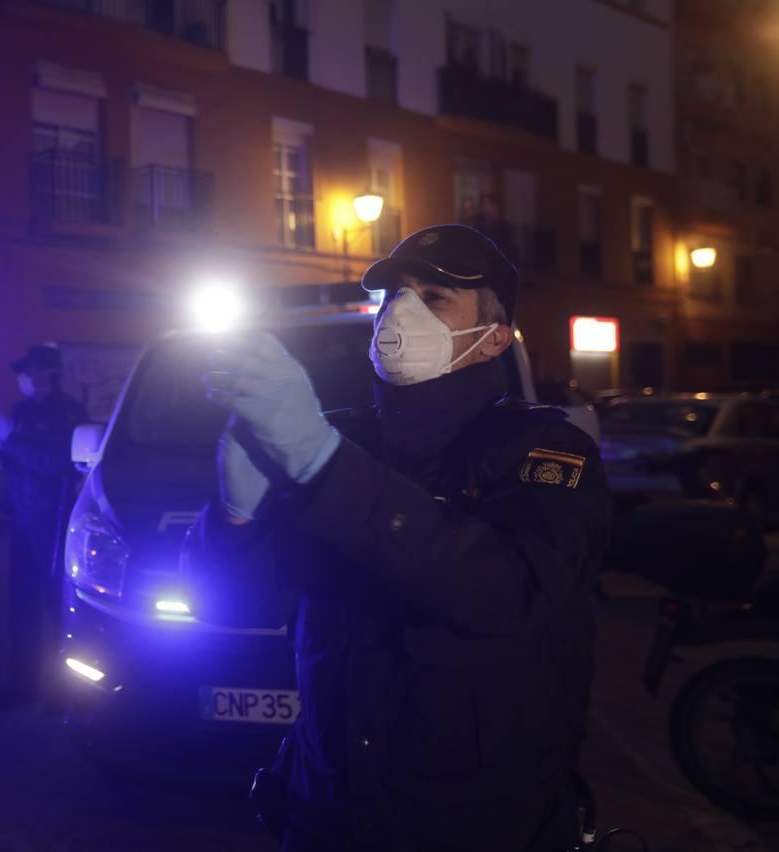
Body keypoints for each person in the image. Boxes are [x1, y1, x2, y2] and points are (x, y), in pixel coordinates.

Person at [188, 225, 612, 851]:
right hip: (326, 809)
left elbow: (509, 591)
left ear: (494, 339)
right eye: (394, 297)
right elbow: (233, 606)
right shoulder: (342, 440)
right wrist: (233, 521)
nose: (400, 313)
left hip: (476, 826)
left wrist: (324, 466)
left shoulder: (541, 450)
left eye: (435, 296)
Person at [0, 344, 87, 710]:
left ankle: (66, 691)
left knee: (58, 608)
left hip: (53, 518)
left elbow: (52, 462)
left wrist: (9, 439)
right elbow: (14, 460)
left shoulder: (68, 412)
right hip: (24, 518)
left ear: (46, 372)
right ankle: (21, 685)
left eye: (26, 371)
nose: (20, 378)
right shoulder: (23, 409)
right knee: (21, 609)